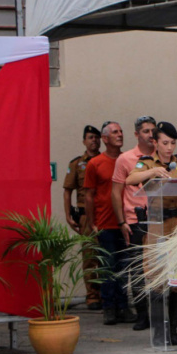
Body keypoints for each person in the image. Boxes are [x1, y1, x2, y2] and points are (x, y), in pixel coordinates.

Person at [125, 122, 177, 346]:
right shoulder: (147, 163)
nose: (169, 147)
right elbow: (130, 180)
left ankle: (173, 330)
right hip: (156, 224)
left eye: (173, 143)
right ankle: (158, 330)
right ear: (155, 143)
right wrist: (152, 172)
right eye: (165, 143)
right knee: (156, 279)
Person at [83, 121, 132, 325]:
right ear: (105, 139)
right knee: (107, 267)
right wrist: (92, 223)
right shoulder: (95, 163)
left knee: (124, 267)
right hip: (105, 224)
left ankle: (124, 306)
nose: (119, 135)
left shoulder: (127, 160)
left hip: (126, 222)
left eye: (121, 131)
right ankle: (109, 307)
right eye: (114, 132)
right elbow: (89, 195)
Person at [111, 115, 157, 330]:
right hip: (135, 220)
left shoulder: (162, 157)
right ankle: (142, 315)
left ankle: (158, 312)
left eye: (153, 131)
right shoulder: (126, 159)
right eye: (146, 131)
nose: (150, 135)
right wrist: (122, 222)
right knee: (138, 269)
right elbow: (116, 192)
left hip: (160, 219)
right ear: (137, 134)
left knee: (157, 267)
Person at [63, 125, 102, 310]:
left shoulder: (106, 160)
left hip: (105, 213)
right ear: (84, 141)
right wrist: (68, 215)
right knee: (90, 256)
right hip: (86, 216)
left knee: (106, 255)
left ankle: (106, 294)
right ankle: (92, 295)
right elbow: (67, 190)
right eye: (90, 137)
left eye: (96, 137)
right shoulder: (77, 163)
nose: (94, 140)